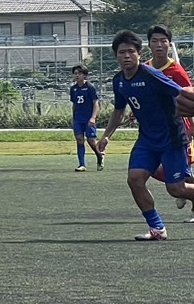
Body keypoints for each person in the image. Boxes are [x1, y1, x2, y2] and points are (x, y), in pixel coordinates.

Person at [94, 30, 194, 241]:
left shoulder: (151, 75)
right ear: (116, 56)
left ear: (139, 54)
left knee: (176, 189)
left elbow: (182, 93)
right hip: (147, 140)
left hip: (172, 138)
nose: (127, 56)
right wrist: (107, 136)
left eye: (131, 51)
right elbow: (119, 110)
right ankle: (157, 228)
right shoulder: (119, 81)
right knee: (135, 179)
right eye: (122, 52)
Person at [147, 25, 194, 204]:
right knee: (149, 167)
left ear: (169, 44)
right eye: (155, 41)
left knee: (183, 172)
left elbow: (189, 98)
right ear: (149, 44)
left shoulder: (176, 71)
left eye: (163, 41)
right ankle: (181, 189)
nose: (159, 45)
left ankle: (183, 191)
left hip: (178, 128)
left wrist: (191, 126)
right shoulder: (144, 69)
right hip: (154, 129)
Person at [68, 65, 102, 171]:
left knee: (91, 141)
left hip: (88, 118)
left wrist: (93, 117)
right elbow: (74, 105)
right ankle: (82, 164)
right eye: (75, 73)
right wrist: (73, 118)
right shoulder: (73, 89)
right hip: (78, 119)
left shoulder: (90, 88)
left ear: (85, 75)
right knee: (79, 140)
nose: (77, 76)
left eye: (79, 73)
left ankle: (99, 156)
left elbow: (96, 103)